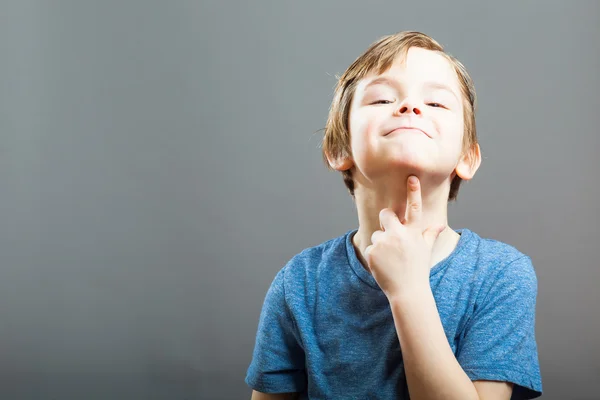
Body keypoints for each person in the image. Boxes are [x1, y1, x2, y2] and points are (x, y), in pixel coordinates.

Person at [245, 31, 542, 400]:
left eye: (435, 103)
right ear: (339, 149)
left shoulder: (501, 274)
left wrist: (409, 291)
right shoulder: (299, 283)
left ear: (467, 158)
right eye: (383, 98)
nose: (409, 107)